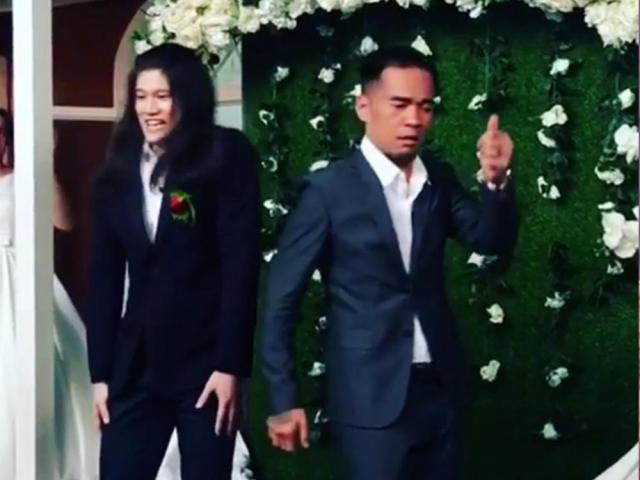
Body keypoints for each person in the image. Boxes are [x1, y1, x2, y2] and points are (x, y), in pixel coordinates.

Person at [261, 46, 518, 479]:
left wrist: (496, 183)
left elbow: (491, 240)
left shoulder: (439, 178)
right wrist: (284, 400)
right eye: (399, 104)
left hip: (442, 389)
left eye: (425, 107)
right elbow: (282, 299)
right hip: (368, 397)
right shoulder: (326, 191)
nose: (414, 119)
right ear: (364, 106)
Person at [87, 43, 261, 479]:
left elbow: (240, 267)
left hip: (205, 367)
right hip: (135, 367)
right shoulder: (118, 167)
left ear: (188, 97)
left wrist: (230, 365)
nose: (149, 109)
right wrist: (101, 375)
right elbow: (104, 277)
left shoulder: (225, 153)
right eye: (141, 96)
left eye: (162, 96)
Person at [0, 108, 98, 479]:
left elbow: (65, 221)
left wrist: (45, 166)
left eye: (0, 131)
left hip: (21, 278)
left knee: (37, 376)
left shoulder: (21, 179)